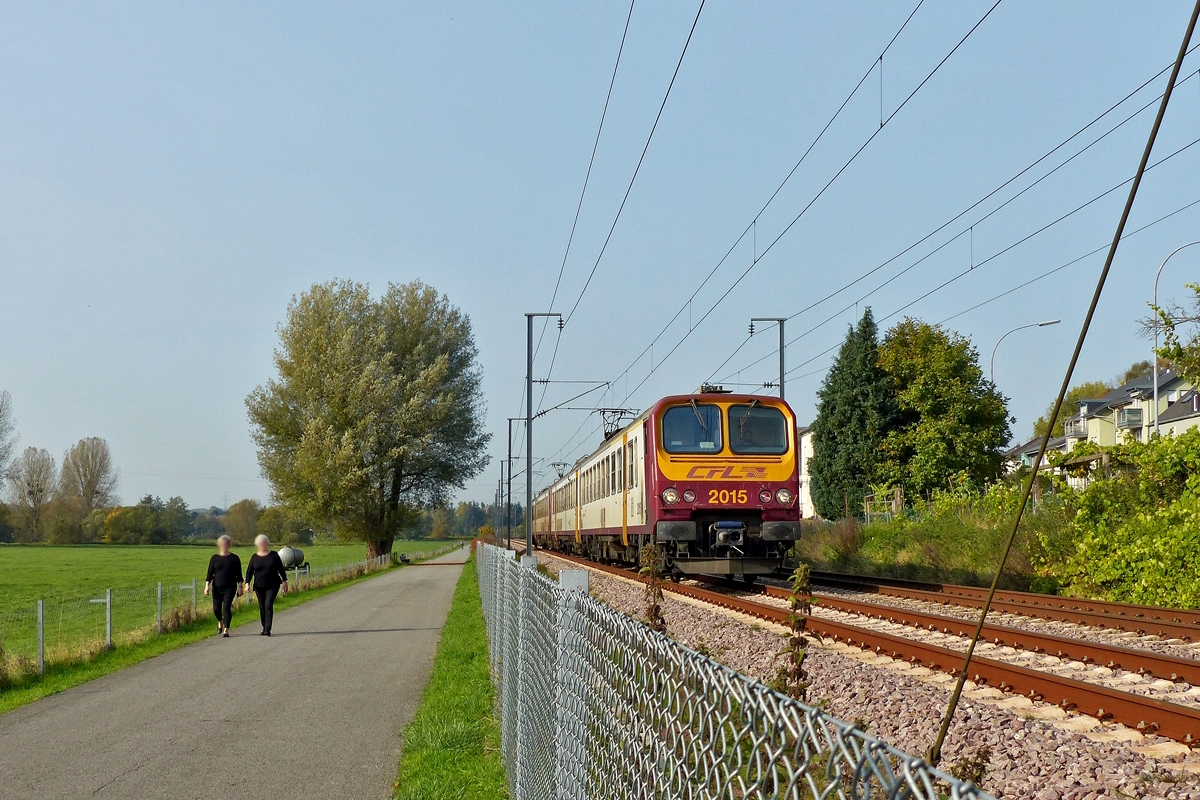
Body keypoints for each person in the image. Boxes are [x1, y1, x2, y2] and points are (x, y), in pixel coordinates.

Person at [244, 534, 288, 636]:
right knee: (262, 606)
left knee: (268, 604)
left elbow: (281, 569)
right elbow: (249, 572)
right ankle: (264, 627)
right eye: (260, 544)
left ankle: (268, 628)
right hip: (259, 586)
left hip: (273, 585)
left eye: (263, 543)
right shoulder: (254, 557)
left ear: (267, 544)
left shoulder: (274, 555)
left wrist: (285, 581)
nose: (262, 545)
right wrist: (247, 583)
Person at [204, 535, 242, 637]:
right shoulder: (214, 558)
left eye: (226, 544)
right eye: (222, 544)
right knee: (216, 609)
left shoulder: (234, 558)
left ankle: (226, 629)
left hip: (230, 587)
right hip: (217, 587)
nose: (224, 546)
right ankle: (220, 621)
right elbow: (209, 574)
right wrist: (207, 586)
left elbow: (239, 574)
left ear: (229, 545)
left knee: (226, 608)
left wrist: (240, 587)